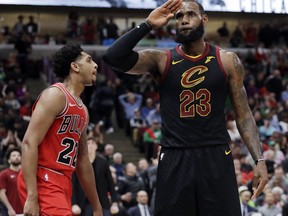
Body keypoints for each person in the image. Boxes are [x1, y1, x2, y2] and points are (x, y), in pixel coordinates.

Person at [103, 0, 268, 215]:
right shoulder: (162, 59)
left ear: (204, 19)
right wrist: (148, 24)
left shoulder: (227, 60)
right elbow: (113, 57)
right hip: (175, 157)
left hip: (216, 154)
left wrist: (260, 159)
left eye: (190, 14)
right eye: (179, 16)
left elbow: (244, 115)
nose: (184, 20)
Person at [17, 43, 102, 216]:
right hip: (42, 176)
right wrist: (32, 196)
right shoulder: (55, 95)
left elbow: (83, 160)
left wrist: (96, 207)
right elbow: (28, 143)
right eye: (89, 60)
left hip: (63, 181)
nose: (96, 65)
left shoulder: (83, 110)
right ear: (75, 66)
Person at [72, 137, 119, 216]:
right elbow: (73, 184)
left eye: (92, 143)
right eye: (88, 143)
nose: (90, 146)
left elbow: (110, 183)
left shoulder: (103, 162)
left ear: (96, 146)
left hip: (102, 202)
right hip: (84, 203)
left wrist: (114, 202)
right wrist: (74, 203)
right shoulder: (78, 162)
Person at [0, 147, 23, 216]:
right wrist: (10, 208)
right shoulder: (4, 174)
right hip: (10, 212)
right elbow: (1, 193)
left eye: (18, 155)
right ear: (9, 160)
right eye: (14, 155)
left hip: (25, 210)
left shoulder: (25, 173)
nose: (17, 157)